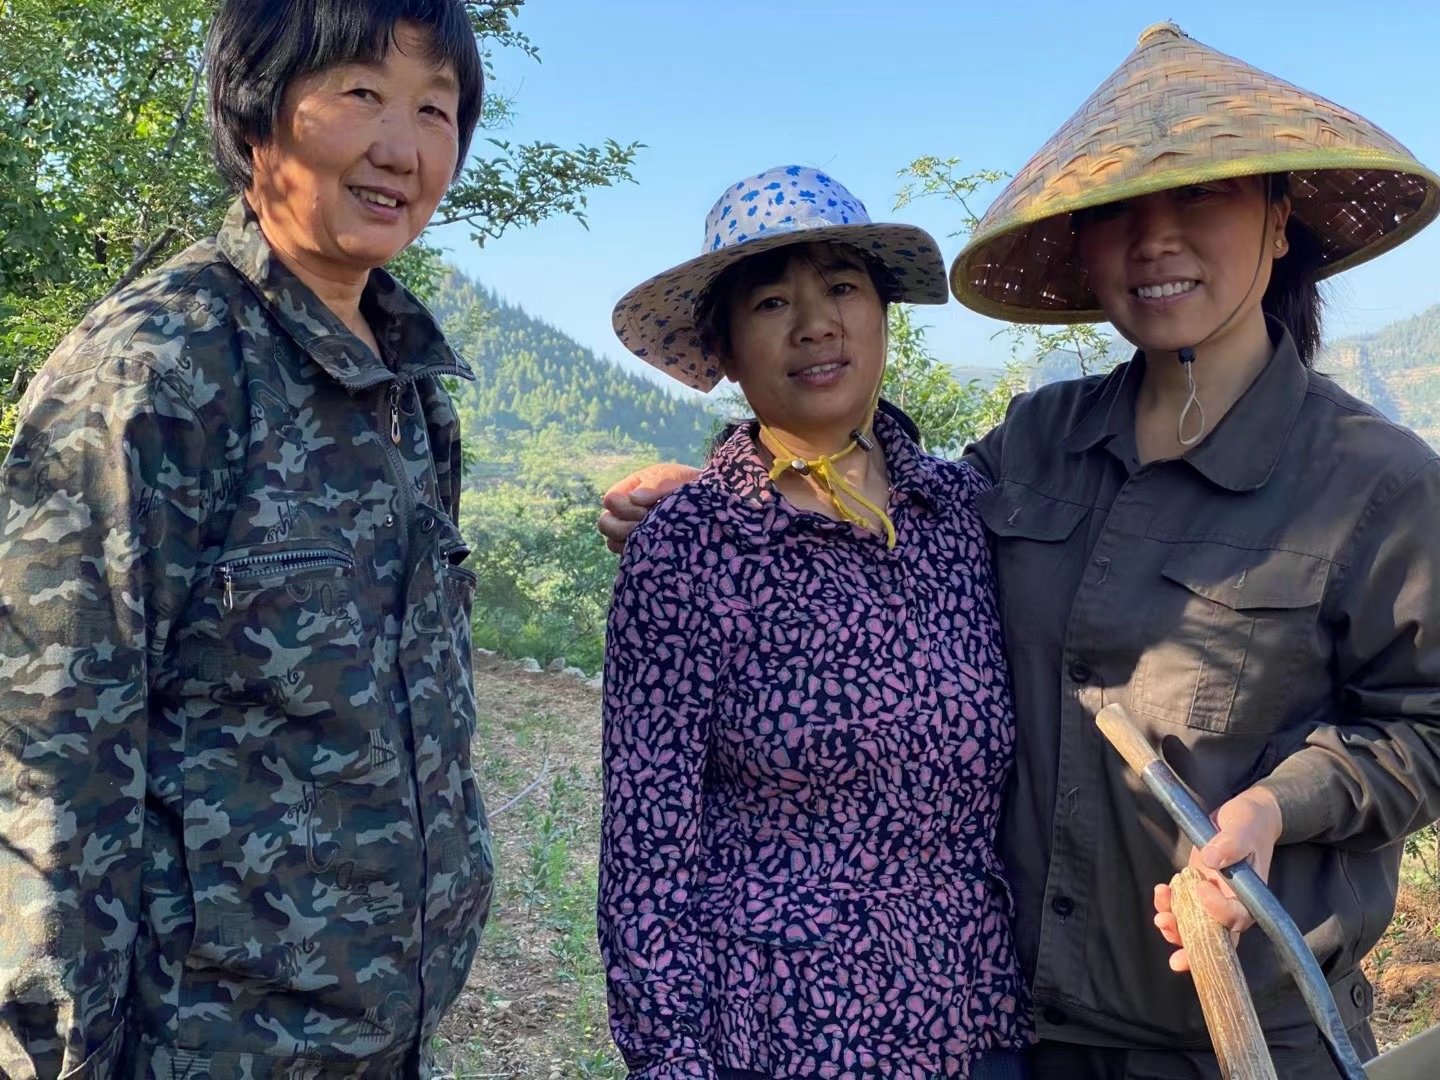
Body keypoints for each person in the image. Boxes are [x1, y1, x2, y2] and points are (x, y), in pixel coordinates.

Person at [599, 24, 1440, 1079]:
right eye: (1120, 212)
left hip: (1237, 1030)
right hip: (1020, 1028)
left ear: (1281, 222)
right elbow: (858, 507)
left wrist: (1282, 802)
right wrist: (713, 495)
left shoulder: (1378, 479)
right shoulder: (1036, 447)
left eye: (1198, 199)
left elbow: (1426, 721)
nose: (1155, 241)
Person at [0, 1, 493, 1074]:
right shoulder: (156, 371)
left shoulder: (409, 381)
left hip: (381, 1030)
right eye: (361, 93)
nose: (402, 149)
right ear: (258, 109)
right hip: (206, 1040)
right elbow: (49, 760)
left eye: (435, 109)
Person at [600, 165, 1032, 1079]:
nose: (815, 323)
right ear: (721, 346)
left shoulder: (958, 514)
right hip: (777, 1034)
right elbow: (646, 849)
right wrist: (669, 1062)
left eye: (842, 287)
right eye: (770, 302)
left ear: (882, 314)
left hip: (975, 1018)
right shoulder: (689, 548)